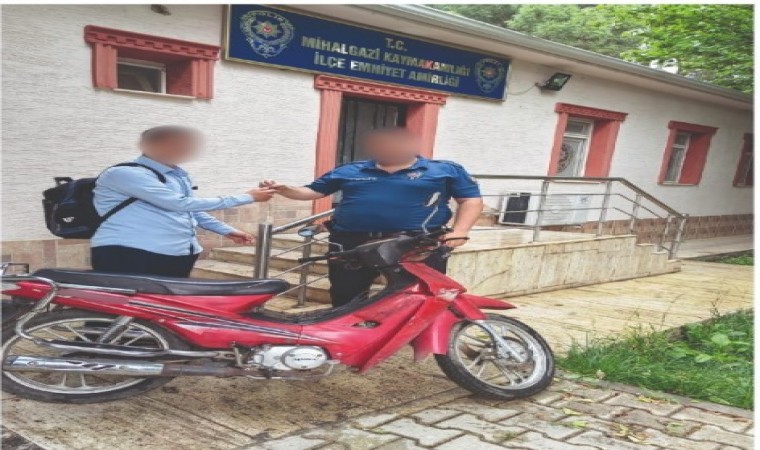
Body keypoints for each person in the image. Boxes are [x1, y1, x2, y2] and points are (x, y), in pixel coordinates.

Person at [260, 127, 483, 307]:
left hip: (416, 243)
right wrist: (285, 189)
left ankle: (414, 335)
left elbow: (470, 200)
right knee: (346, 294)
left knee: (420, 294)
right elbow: (313, 191)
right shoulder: (349, 170)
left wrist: (460, 231)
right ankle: (351, 336)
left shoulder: (444, 170)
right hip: (351, 243)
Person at [91, 126, 275, 277]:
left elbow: (189, 210)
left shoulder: (177, 175)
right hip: (131, 251)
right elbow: (179, 203)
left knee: (163, 307)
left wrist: (227, 230)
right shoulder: (125, 173)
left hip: (177, 254)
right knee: (122, 306)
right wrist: (248, 197)